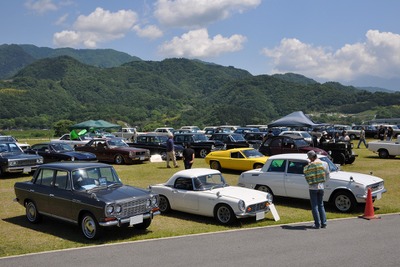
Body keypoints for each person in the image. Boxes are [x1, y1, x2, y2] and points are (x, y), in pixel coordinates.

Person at [303, 150, 329, 229]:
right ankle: (324, 223)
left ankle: (317, 224)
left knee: (314, 206)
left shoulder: (310, 165)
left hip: (312, 187)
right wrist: (323, 182)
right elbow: (328, 174)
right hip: (321, 186)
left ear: (311, 157)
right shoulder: (324, 164)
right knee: (321, 205)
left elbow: (305, 174)